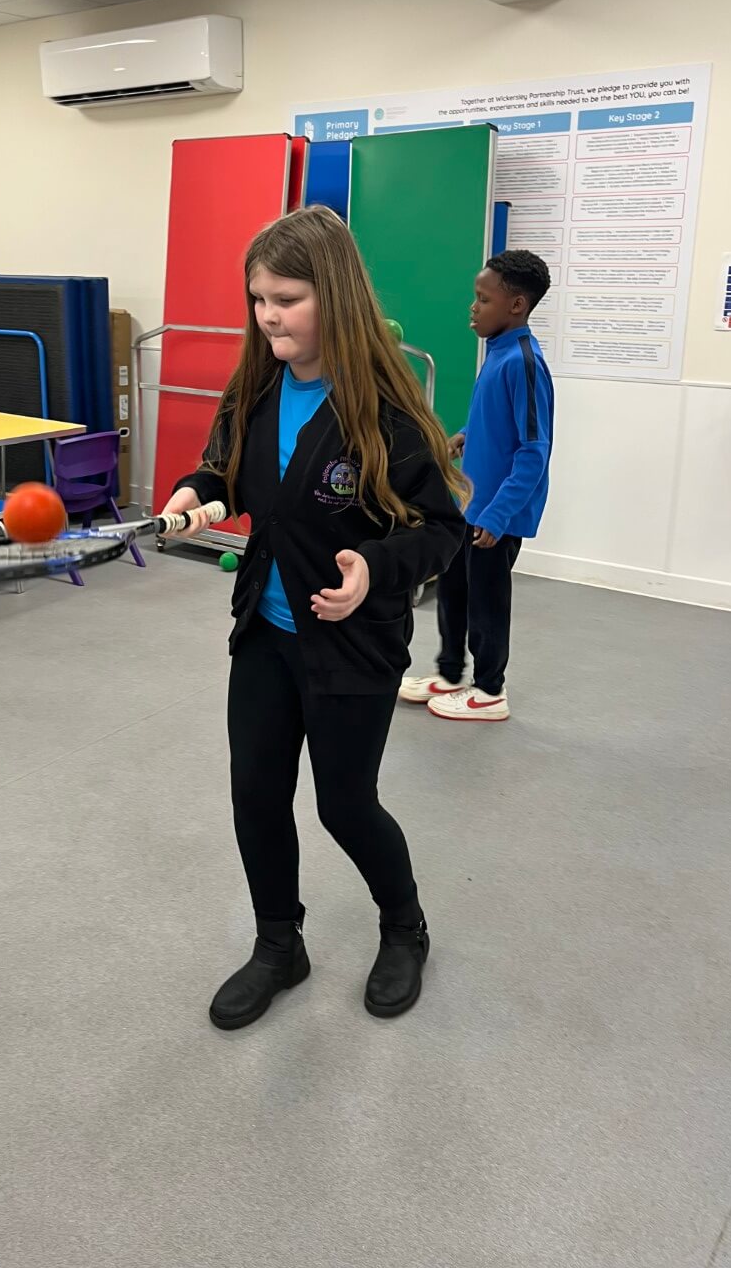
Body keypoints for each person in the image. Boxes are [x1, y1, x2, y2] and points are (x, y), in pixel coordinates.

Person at [160, 205, 467, 1031]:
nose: (268, 315)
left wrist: (375, 568)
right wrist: (196, 495)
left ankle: (404, 927)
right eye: (259, 298)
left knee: (344, 804)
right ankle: (278, 946)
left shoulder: (387, 410)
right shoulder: (256, 388)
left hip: (352, 647)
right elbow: (225, 470)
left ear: (334, 296)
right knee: (256, 794)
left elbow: (440, 530)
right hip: (266, 635)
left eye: (287, 299)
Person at [399, 249, 554, 723]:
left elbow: (533, 449)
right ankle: (449, 674)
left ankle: (489, 691)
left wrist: (498, 515)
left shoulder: (524, 362)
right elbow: (498, 418)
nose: (473, 307)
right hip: (471, 503)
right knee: (454, 591)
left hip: (496, 516)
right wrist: (467, 434)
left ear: (517, 305)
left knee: (486, 606)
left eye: (483, 299)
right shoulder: (498, 352)